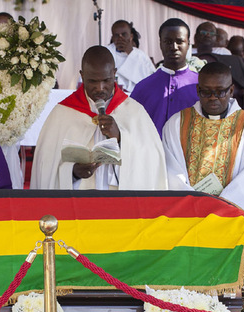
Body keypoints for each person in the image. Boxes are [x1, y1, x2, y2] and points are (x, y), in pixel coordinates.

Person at [31, 45, 167, 191]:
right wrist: (73, 172)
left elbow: (152, 160)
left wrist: (121, 137)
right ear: (82, 76)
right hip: (77, 204)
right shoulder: (62, 113)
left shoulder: (134, 112)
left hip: (119, 204)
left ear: (114, 73)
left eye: (106, 80)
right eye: (92, 81)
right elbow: (45, 167)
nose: (100, 88)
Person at [162, 61, 244, 231]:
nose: (213, 97)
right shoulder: (176, 124)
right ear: (198, 90)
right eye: (206, 92)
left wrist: (218, 206)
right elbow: (171, 173)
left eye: (220, 92)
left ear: (230, 90)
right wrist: (197, 203)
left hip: (232, 217)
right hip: (189, 216)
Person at [131, 18, 199, 136]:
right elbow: (131, 127)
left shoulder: (201, 85)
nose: (174, 47)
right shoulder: (143, 88)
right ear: (160, 44)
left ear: (188, 44)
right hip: (153, 153)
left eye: (179, 41)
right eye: (168, 42)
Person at [105, 20, 155, 93]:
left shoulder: (141, 56)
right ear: (112, 38)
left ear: (131, 36)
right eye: (116, 35)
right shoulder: (105, 53)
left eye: (124, 34)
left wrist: (130, 52)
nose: (120, 38)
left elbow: (151, 81)